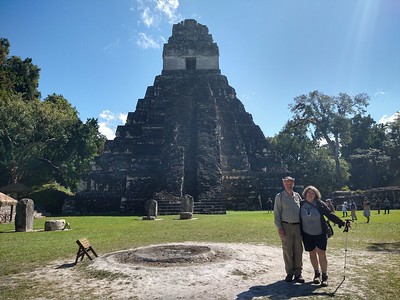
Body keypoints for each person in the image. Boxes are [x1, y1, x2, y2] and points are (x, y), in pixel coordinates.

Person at [300, 186, 348, 287]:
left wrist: (342, 222)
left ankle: (325, 276)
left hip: (320, 233)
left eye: (312, 193)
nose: (310, 194)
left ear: (316, 194)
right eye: (308, 192)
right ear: (305, 193)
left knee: (321, 253)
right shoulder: (301, 204)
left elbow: (329, 214)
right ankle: (316, 274)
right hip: (307, 234)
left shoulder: (319, 204)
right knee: (312, 253)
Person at [274, 176, 304, 283]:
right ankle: (289, 272)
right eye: (287, 183)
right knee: (287, 250)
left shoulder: (297, 196)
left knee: (298, 250)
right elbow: (277, 214)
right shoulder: (280, 197)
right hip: (285, 226)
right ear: (284, 184)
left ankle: (298, 273)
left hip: (298, 226)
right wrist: (279, 228)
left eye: (291, 183)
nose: (289, 185)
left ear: (293, 184)